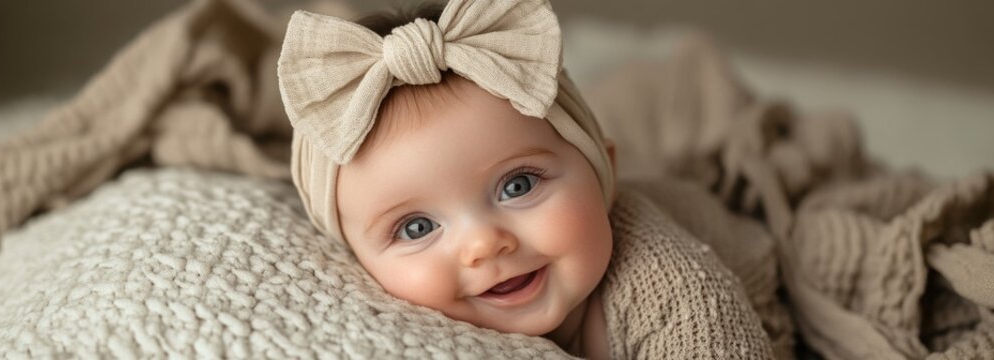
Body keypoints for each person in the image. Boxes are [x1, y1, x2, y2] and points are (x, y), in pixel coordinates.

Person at [278, 0, 773, 358]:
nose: (484, 244)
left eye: (518, 186)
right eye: (416, 228)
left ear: (605, 173)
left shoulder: (672, 287)